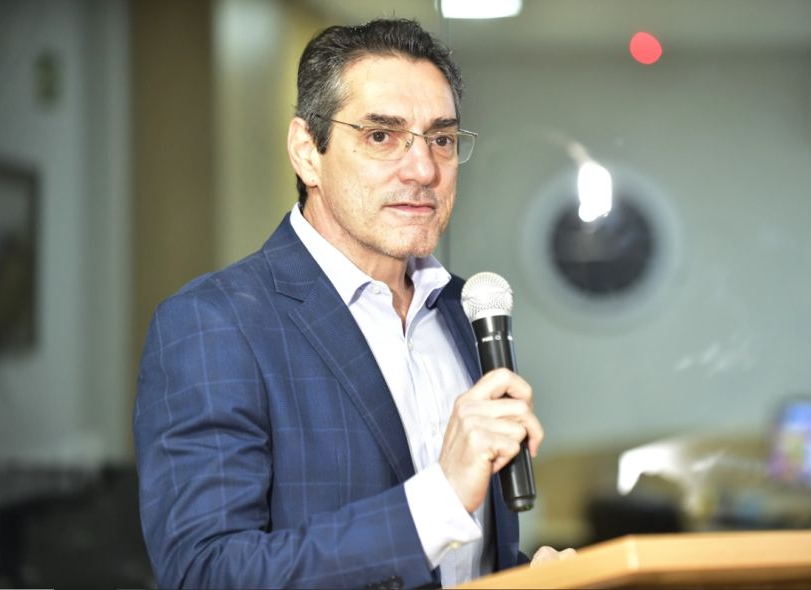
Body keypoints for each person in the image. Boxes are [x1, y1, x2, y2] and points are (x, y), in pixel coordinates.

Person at [134, 18, 571, 589]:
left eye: (441, 139)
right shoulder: (214, 325)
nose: (424, 169)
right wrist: (439, 498)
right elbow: (207, 573)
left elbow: (459, 562)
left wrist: (523, 578)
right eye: (381, 136)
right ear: (306, 152)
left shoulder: (463, 309)